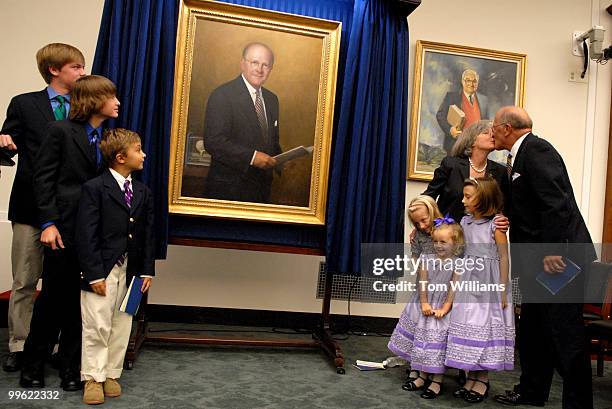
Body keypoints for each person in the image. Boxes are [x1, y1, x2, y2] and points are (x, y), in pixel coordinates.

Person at [491, 106, 595, 409]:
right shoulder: (519, 156)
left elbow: (557, 205)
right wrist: (505, 216)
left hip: (561, 260)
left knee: (565, 332)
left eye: (495, 127)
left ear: (507, 128)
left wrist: (553, 251)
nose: (493, 132)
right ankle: (532, 392)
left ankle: (578, 404)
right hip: (538, 261)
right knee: (534, 330)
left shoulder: (537, 150)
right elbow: (531, 203)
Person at [19, 75, 119, 391]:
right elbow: (43, 179)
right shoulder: (60, 131)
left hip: (93, 234)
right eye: (111, 96)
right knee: (52, 300)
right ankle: (32, 367)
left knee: (84, 304)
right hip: (62, 229)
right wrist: (47, 223)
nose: (117, 102)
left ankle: (70, 368)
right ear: (93, 100)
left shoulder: (110, 138)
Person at [0, 43, 85, 372]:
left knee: (62, 284)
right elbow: (8, 140)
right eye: (76, 67)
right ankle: (20, 345)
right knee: (24, 279)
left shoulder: (84, 106)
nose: (82, 72)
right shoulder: (24, 104)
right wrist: (2, 139)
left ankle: (58, 346)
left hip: (70, 212)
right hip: (29, 208)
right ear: (55, 70)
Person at [76, 128, 154, 405]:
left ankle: (112, 373)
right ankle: (93, 378)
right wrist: (93, 273)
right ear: (121, 157)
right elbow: (86, 235)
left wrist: (146, 270)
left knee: (123, 322)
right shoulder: (94, 188)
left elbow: (147, 235)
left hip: (131, 271)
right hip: (102, 269)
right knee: (97, 323)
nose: (143, 155)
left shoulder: (142, 192)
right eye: (138, 150)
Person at [445, 177, 514, 404]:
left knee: (485, 329)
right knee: (470, 327)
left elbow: (504, 257)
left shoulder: (496, 225)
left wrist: (502, 290)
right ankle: (471, 377)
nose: (463, 200)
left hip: (489, 283)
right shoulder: (465, 223)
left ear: (483, 198)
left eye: (468, 196)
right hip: (467, 280)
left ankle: (482, 379)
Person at [389, 217, 464, 400]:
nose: (438, 246)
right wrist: (424, 303)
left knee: (438, 345)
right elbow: (422, 283)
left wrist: (445, 308)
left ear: (455, 243)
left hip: (443, 308)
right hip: (426, 303)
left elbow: (454, 288)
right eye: (435, 241)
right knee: (421, 341)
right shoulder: (427, 258)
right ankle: (421, 376)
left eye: (443, 242)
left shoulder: (458, 263)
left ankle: (437, 380)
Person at [203, 42, 282, 203]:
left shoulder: (272, 100)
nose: (259, 69)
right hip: (228, 190)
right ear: (243, 63)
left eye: (265, 65)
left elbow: (270, 141)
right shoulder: (222, 95)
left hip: (261, 191)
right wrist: (252, 157)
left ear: (271, 69)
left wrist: (282, 159)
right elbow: (213, 142)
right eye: (254, 62)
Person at [424, 120, 508, 222]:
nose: (492, 136)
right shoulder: (451, 164)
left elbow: (503, 206)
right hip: (448, 232)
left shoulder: (500, 171)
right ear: (472, 141)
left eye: (493, 133)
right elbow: (429, 196)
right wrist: (422, 221)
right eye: (486, 133)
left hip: (482, 235)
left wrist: (502, 219)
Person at [436, 69, 494, 154]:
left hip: (476, 147)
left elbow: (486, 124)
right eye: (468, 80)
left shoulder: (484, 100)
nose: (471, 84)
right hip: (455, 145)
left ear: (477, 83)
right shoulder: (451, 97)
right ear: (462, 81)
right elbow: (440, 115)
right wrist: (450, 129)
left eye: (474, 81)